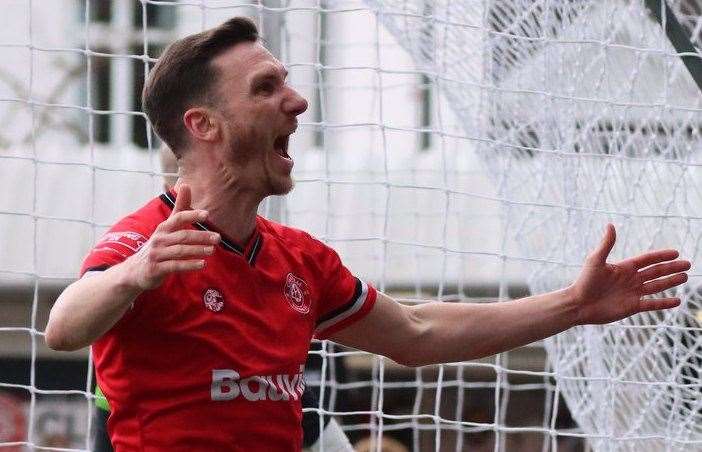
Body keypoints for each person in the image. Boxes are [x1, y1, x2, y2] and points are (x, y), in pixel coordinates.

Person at [45, 17, 691, 451]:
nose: (297, 102)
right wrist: (134, 275)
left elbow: (415, 333)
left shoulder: (301, 260)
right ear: (205, 125)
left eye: (289, 83)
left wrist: (573, 307)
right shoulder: (145, 242)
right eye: (267, 88)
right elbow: (65, 328)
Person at [89, 146, 354, 452]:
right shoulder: (146, 253)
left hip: (261, 390)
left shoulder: (281, 254)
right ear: (171, 191)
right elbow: (64, 328)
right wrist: (131, 275)